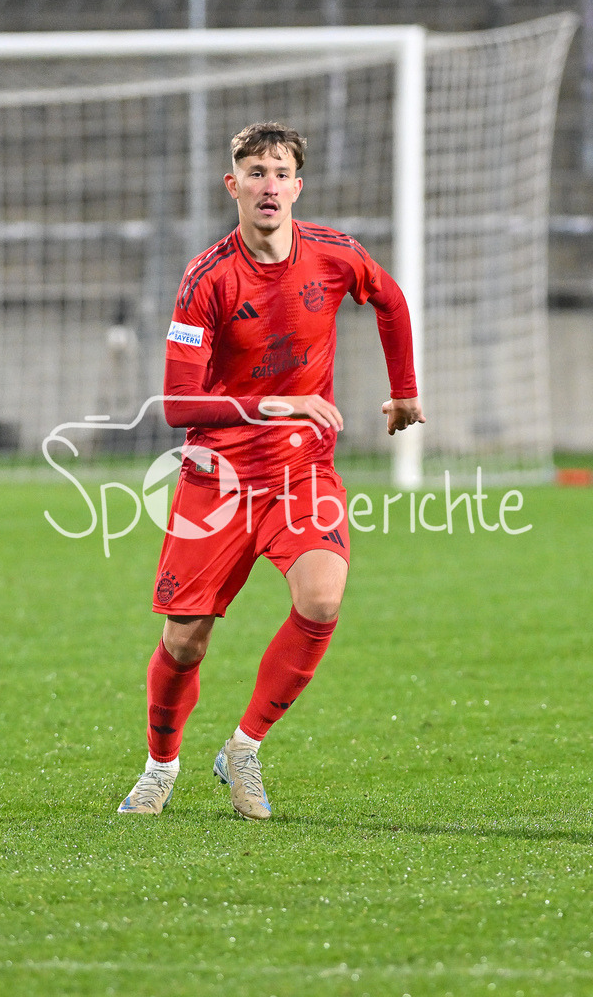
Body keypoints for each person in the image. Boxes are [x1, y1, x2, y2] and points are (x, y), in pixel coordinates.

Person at [118, 122, 425, 820]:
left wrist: (404, 389)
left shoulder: (334, 253)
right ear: (234, 185)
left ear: (297, 186)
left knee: (321, 600)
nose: (268, 184)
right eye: (254, 172)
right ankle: (160, 765)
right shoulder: (206, 277)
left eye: (280, 171)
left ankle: (245, 749)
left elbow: (392, 301)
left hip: (301, 475)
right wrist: (272, 402)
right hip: (215, 484)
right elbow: (175, 404)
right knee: (185, 641)